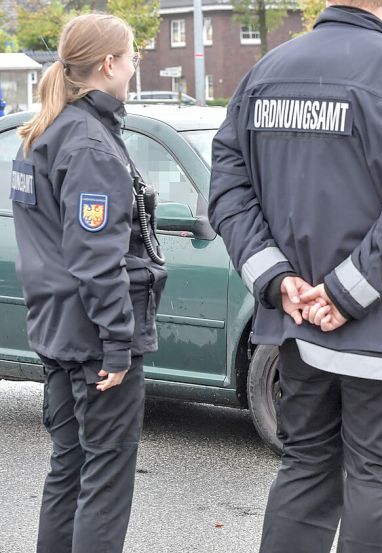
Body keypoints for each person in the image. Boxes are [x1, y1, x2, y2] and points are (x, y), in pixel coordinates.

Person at [207, 1, 382, 551]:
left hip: (300, 330)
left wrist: (277, 279)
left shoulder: (265, 74)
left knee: (305, 468)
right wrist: (344, 293)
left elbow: (227, 190)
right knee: (374, 479)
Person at [12, 14, 166, 553]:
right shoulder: (88, 144)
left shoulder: (45, 132)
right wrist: (118, 344)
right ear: (108, 64)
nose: (134, 67)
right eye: (132, 57)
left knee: (69, 468)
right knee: (104, 479)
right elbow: (97, 259)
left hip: (57, 328)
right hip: (93, 339)